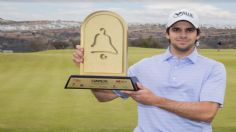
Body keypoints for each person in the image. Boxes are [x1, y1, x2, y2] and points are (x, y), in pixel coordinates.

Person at [73, 9, 226, 132]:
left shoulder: (213, 68)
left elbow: (207, 113)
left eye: (189, 30)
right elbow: (105, 95)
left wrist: (155, 100)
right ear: (168, 33)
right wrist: (91, 69)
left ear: (197, 34)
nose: (183, 35)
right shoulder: (143, 66)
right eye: (176, 29)